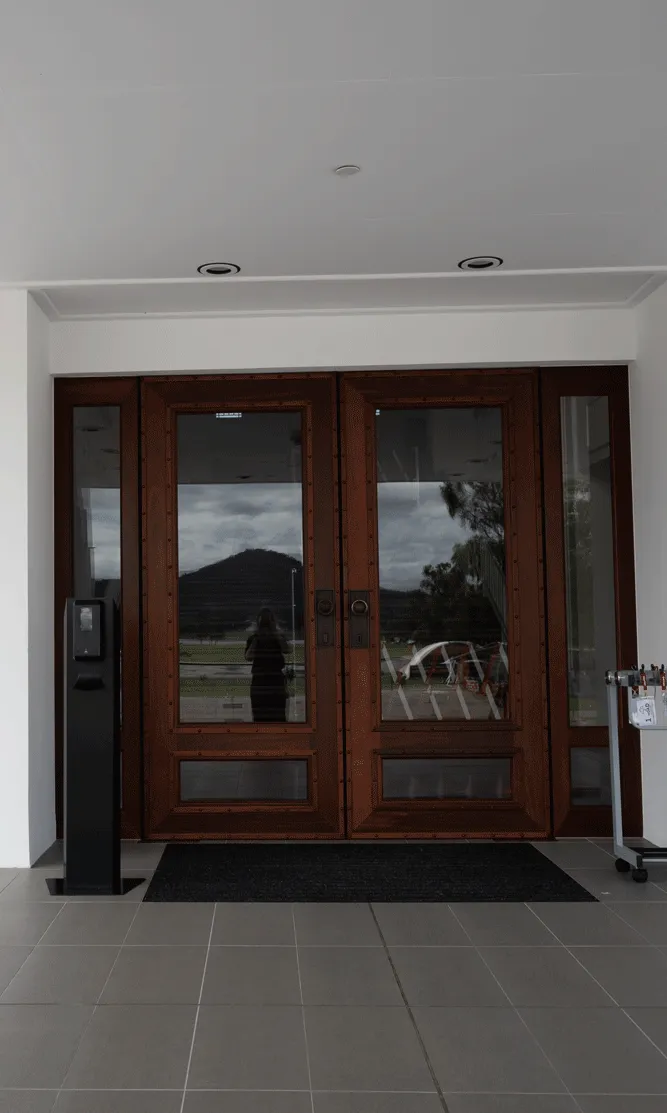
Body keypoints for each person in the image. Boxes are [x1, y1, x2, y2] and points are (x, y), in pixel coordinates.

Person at [244, 608, 289, 722]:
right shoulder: (254, 639)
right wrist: (257, 638)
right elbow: (248, 657)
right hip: (261, 681)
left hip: (274, 681)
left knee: (278, 715)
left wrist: (275, 633)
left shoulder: (278, 638)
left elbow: (287, 649)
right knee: (260, 715)